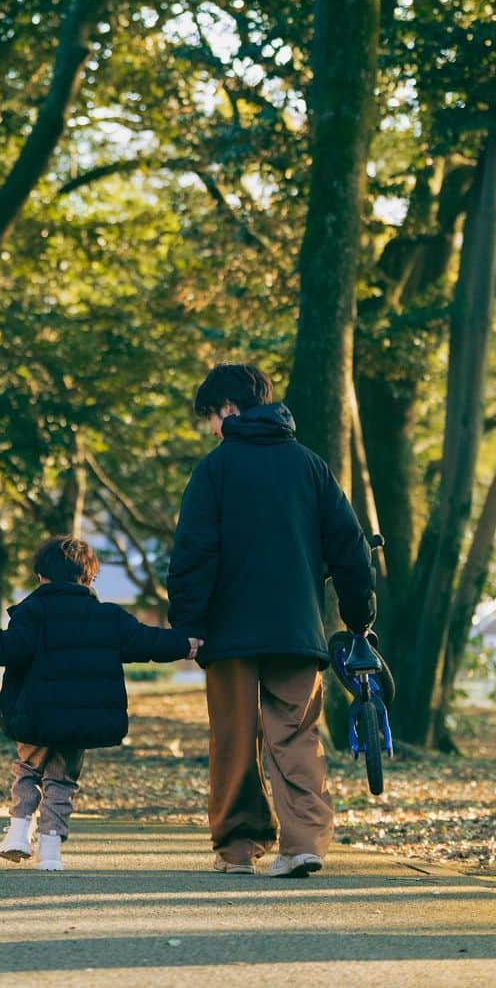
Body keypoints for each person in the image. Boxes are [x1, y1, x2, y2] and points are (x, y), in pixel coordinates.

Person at [167, 363, 375, 879]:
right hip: (295, 629)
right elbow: (350, 549)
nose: (213, 428)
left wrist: (188, 624)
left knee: (234, 738)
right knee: (297, 734)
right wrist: (358, 617)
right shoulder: (311, 466)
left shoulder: (215, 470)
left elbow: (194, 552)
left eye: (212, 417)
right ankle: (303, 843)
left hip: (228, 631)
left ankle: (239, 849)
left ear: (230, 411)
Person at [0, 536, 200, 871]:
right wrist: (184, 644)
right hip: (79, 721)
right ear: (89, 578)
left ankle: (18, 831)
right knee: (62, 780)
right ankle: (50, 851)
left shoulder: (32, 611)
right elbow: (146, 641)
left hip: (35, 715)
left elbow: (10, 649)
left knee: (28, 769)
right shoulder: (107, 617)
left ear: (40, 577)